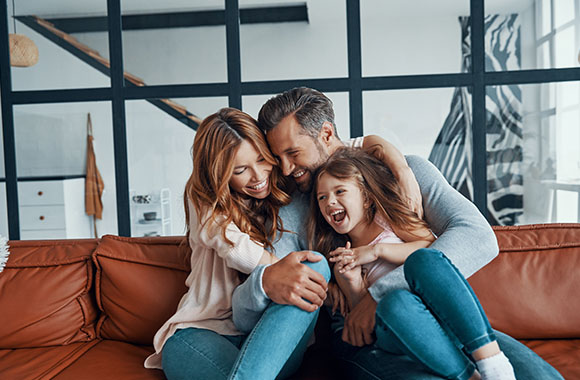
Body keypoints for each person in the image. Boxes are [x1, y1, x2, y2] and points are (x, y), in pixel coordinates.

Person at [232, 87, 563, 379]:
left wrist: (380, 295)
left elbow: (478, 237)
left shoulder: (406, 172)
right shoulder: (292, 210)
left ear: (327, 134)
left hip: (438, 317)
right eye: (278, 158)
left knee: (535, 374)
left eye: (293, 153)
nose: (287, 169)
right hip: (365, 339)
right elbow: (277, 284)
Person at [144, 108, 331, 380]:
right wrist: (276, 272)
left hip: (272, 339)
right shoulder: (204, 201)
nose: (258, 176)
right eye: (241, 170)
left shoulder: (287, 191)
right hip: (201, 332)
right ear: (219, 174)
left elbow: (331, 149)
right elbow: (235, 249)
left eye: (262, 160)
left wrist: (378, 145)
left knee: (316, 265)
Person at [309, 147, 517, 380]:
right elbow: (362, 318)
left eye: (340, 191)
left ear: (366, 198)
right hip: (393, 328)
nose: (330, 202)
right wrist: (352, 282)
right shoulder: (340, 255)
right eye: (322, 197)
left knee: (420, 267)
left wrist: (377, 251)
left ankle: (491, 365)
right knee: (396, 304)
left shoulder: (388, 222)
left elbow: (430, 249)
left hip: (432, 314)